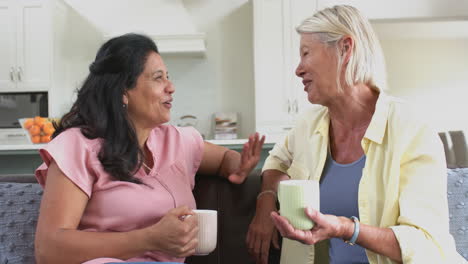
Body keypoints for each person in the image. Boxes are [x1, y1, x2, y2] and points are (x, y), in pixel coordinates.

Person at [247, 5, 465, 264]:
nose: (298, 69)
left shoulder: (411, 128)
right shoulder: (309, 123)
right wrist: (266, 203)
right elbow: (277, 161)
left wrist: (346, 228)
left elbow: (426, 243)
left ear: (345, 48)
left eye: (306, 53)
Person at [34, 33, 265, 264]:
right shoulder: (77, 146)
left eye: (168, 77)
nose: (171, 87)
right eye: (158, 78)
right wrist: (149, 239)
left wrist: (239, 167)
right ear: (123, 91)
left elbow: (225, 159)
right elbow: (49, 249)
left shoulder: (178, 141)